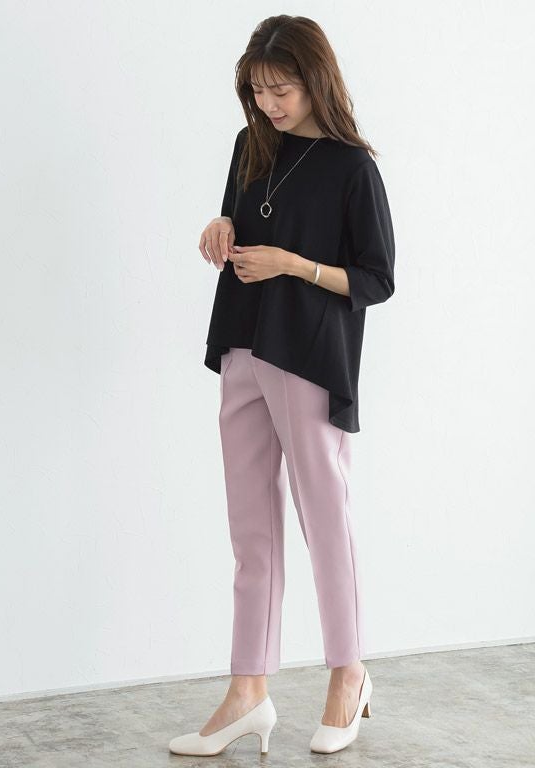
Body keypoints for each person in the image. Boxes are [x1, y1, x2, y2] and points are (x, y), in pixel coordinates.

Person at [169, 13, 394, 758]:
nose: (269, 104)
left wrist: (294, 265)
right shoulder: (252, 144)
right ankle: (248, 691)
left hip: (308, 355)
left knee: (325, 520)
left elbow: (376, 279)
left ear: (315, 80)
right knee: (251, 529)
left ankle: (348, 674)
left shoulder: (353, 168)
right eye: (258, 90)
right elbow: (242, 221)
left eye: (282, 89)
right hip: (243, 341)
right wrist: (220, 228)